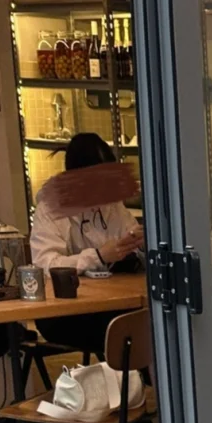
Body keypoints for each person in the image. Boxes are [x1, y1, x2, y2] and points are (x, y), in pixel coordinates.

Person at [28, 132, 144, 359]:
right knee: (129, 331)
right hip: (64, 313)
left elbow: (128, 235)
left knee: (148, 321)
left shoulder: (112, 204)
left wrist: (140, 243)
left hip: (111, 301)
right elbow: (45, 266)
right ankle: (128, 378)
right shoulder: (50, 208)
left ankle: (138, 379)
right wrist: (98, 256)